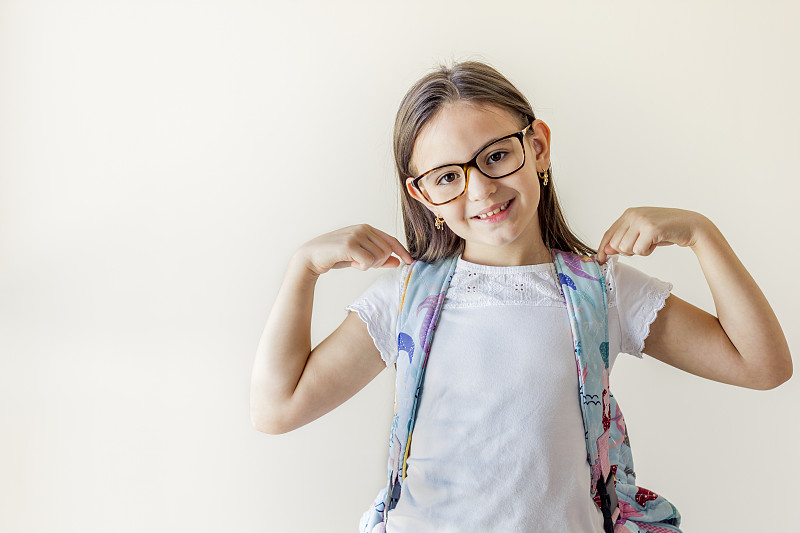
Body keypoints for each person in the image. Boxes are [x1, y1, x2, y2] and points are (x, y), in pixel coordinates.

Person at [249, 60, 792, 532]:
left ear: (537, 147)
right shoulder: (405, 297)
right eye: (446, 177)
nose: (481, 190)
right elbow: (277, 409)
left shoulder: (602, 290)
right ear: (422, 197)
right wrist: (303, 270)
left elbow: (763, 365)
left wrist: (701, 234)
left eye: (494, 157)